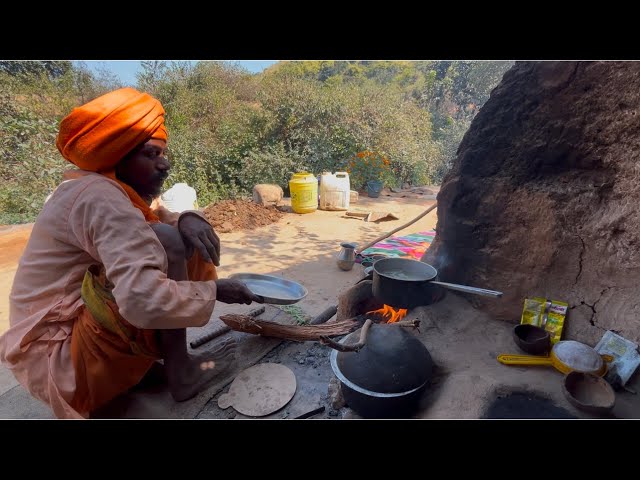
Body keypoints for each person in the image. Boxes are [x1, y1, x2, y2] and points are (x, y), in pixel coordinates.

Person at [0, 87, 263, 419]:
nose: (164, 164)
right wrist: (216, 290)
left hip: (61, 354)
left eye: (163, 154)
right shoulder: (98, 196)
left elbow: (155, 218)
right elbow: (143, 300)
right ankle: (181, 371)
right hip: (61, 365)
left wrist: (190, 217)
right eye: (150, 155)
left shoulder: (100, 190)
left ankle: (136, 372)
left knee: (176, 236)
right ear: (117, 157)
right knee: (166, 243)